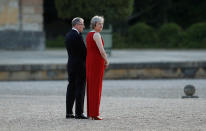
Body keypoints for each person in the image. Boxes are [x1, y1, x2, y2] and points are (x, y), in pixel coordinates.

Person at [86, 16, 109, 120]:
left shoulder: (89, 34)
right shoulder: (96, 35)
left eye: (102, 24)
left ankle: (91, 113)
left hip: (90, 62)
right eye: (99, 24)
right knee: (96, 87)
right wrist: (107, 60)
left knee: (91, 87)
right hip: (96, 63)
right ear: (94, 24)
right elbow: (102, 51)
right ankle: (95, 114)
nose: (101, 26)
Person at [65, 17, 87, 119]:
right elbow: (83, 52)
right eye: (82, 24)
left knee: (71, 88)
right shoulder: (77, 35)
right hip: (79, 66)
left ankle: (69, 112)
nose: (83, 26)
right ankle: (79, 113)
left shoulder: (68, 34)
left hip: (71, 64)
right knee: (80, 88)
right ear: (77, 25)